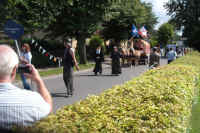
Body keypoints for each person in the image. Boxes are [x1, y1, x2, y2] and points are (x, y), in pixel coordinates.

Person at [0, 45, 52, 131]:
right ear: (14, 71)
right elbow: (48, 108)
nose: (23, 47)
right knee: (25, 83)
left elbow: (28, 61)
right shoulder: (34, 101)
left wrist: (23, 60)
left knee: (25, 83)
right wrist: (39, 81)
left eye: (24, 46)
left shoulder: (28, 54)